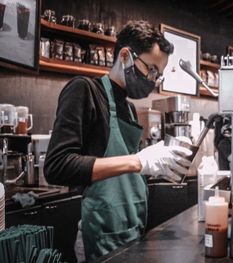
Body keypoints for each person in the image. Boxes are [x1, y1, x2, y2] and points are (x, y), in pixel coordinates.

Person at [44, 20, 192, 262]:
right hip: (100, 236)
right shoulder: (85, 90)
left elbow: (128, 173)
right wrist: (137, 162)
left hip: (132, 231)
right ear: (125, 56)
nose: (153, 80)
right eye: (151, 69)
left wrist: (158, 164)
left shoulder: (130, 110)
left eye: (159, 75)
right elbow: (58, 166)